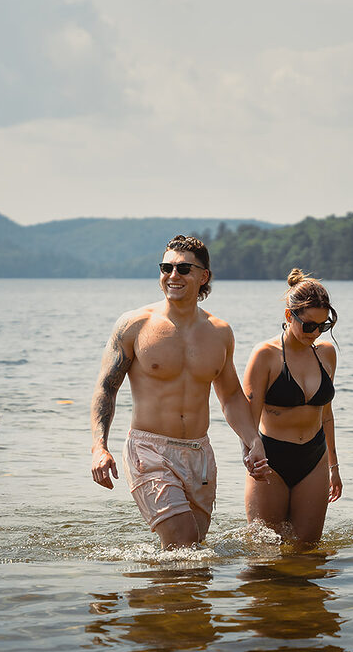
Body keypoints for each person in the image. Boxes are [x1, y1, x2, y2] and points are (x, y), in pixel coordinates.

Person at [91, 234, 270, 549]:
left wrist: (252, 441)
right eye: (166, 267)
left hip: (199, 454)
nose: (173, 276)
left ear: (204, 277)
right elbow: (107, 388)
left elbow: (229, 396)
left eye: (183, 269)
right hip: (149, 450)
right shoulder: (134, 325)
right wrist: (99, 447)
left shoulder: (220, 332)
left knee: (192, 554)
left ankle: (150, 595)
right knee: (184, 546)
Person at [242, 268, 342, 543]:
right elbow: (246, 418)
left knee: (308, 551)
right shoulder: (265, 355)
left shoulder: (327, 355)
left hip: (314, 457)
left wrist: (334, 467)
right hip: (270, 458)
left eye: (323, 326)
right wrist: (249, 456)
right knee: (264, 553)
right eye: (309, 325)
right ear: (289, 316)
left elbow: (327, 416)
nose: (316, 332)